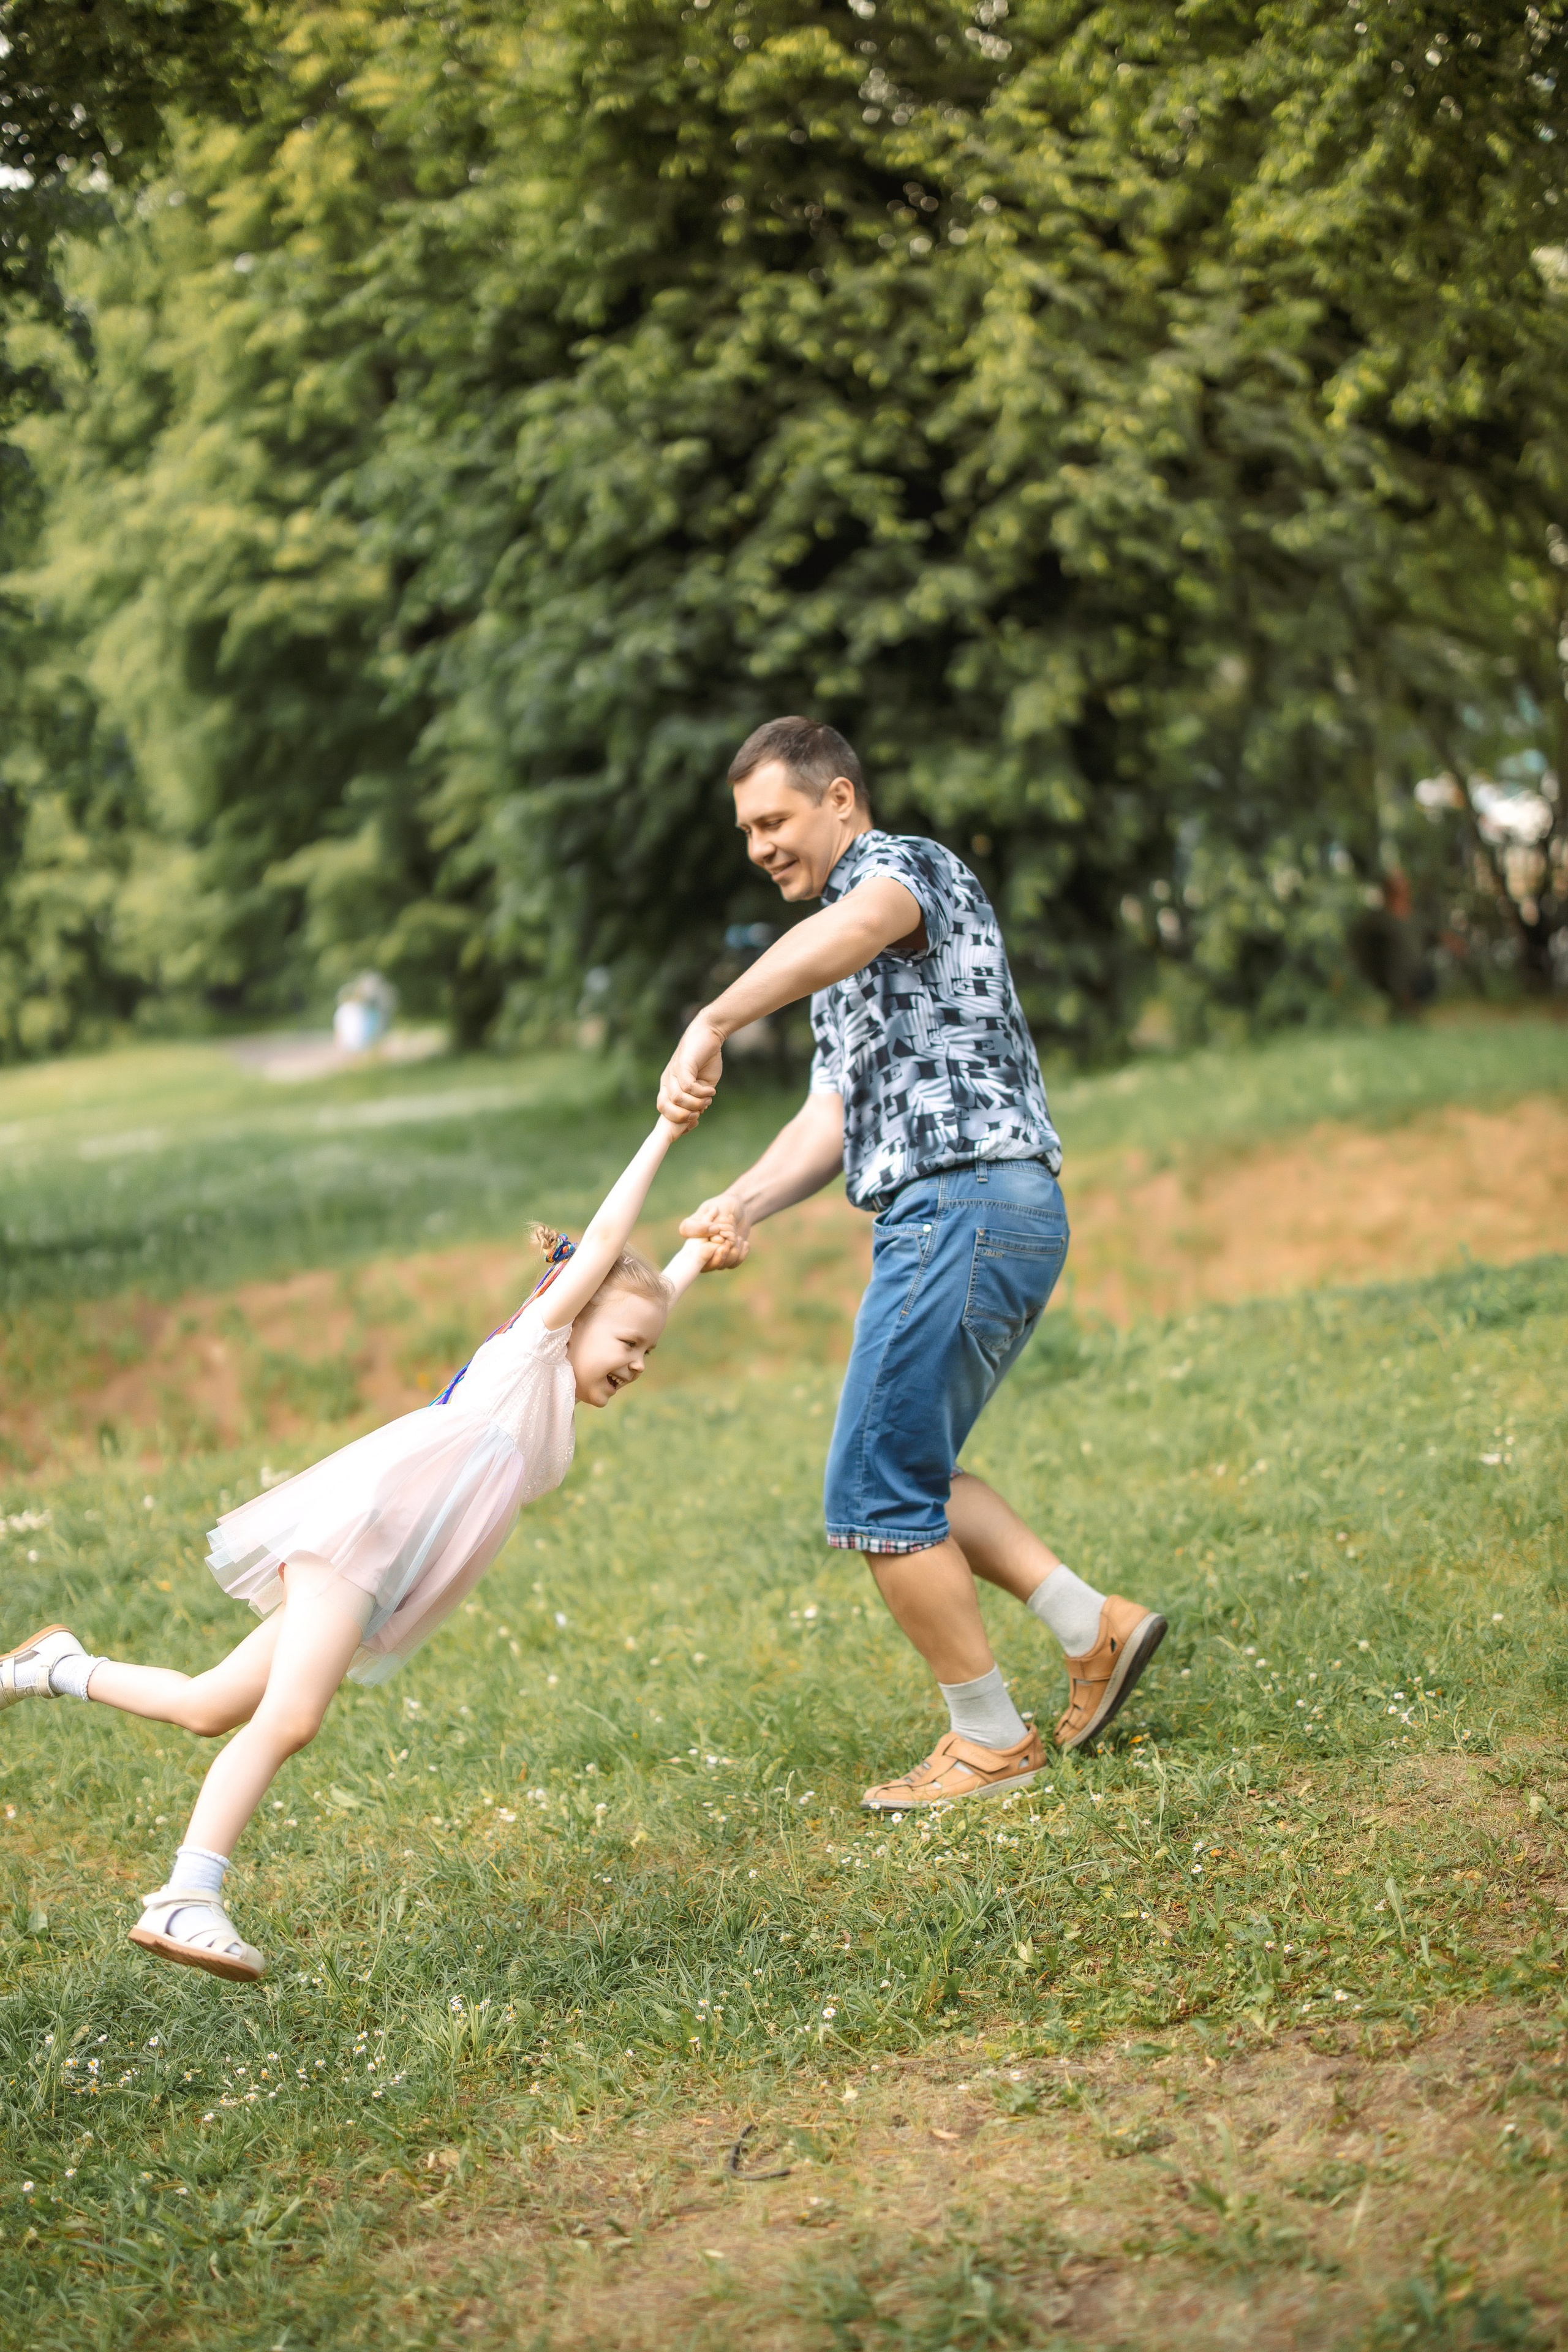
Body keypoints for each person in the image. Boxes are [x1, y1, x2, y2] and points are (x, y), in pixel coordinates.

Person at [0, 1124, 710, 1983]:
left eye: (650, 1351)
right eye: (629, 1346)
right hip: (360, 1540)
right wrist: (668, 1130)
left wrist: (697, 1258)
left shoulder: (561, 1385)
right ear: (572, 1311)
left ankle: (51, 1666)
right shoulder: (529, 1354)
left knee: (209, 1703)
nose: (638, 1364)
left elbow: (640, 1293)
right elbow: (604, 1250)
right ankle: (187, 1895)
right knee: (291, 1720)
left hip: (382, 1572)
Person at [660, 717, 1165, 1815]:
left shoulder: (900, 871)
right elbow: (832, 1117)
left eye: (775, 820)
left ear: (841, 799)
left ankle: (989, 1740)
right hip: (976, 1207)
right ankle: (1098, 1629)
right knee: (913, 1473)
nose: (759, 845)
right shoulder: (843, 965)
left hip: (965, 1203)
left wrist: (713, 1016)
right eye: (746, 829)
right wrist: (741, 1202)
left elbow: (862, 925)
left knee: (874, 1487)